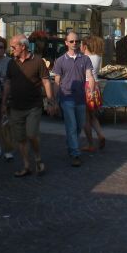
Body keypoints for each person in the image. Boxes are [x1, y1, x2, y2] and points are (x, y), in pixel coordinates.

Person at [0, 34, 55, 177]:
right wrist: (4, 102)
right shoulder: (12, 63)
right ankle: (26, 165)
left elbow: (46, 81)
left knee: (32, 135)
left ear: (22, 46)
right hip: (16, 106)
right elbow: (8, 83)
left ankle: (37, 158)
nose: (11, 50)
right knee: (20, 139)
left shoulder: (38, 61)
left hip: (33, 106)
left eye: (13, 47)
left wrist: (50, 101)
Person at [52, 31, 95, 167]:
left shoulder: (85, 59)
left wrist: (91, 90)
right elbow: (57, 81)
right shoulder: (60, 61)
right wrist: (54, 100)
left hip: (81, 97)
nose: (74, 44)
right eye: (71, 41)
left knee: (79, 125)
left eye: (76, 41)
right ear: (66, 43)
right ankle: (75, 154)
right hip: (66, 97)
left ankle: (71, 146)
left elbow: (90, 77)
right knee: (71, 126)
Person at [80, 35, 106, 152]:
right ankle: (100, 134)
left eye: (81, 44)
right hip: (95, 87)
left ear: (85, 46)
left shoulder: (83, 58)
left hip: (85, 87)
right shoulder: (98, 57)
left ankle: (90, 144)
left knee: (85, 118)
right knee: (92, 116)